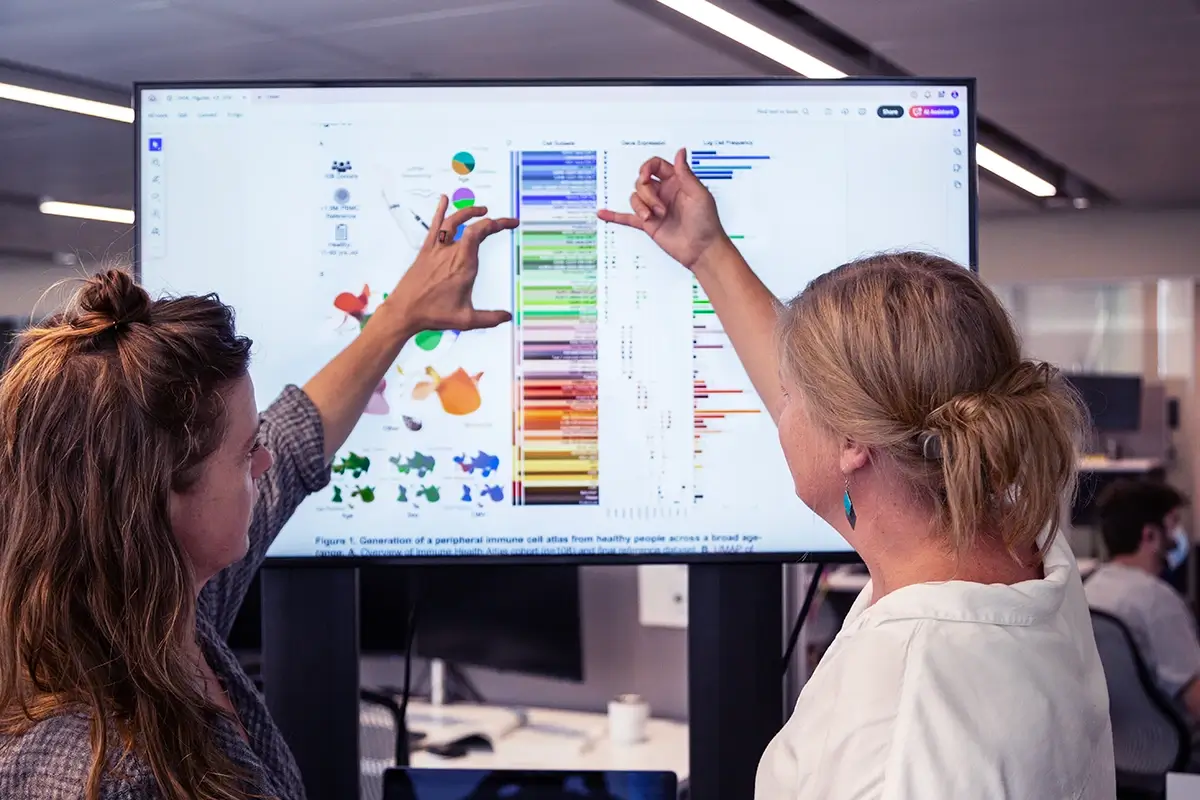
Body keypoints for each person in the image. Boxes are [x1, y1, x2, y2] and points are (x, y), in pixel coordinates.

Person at [599, 149, 1115, 798]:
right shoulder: (1019, 538)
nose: (780, 411)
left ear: (853, 440)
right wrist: (708, 252)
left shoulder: (903, 728)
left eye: (790, 396)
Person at [0, 197, 516, 799]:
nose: (263, 459)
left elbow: (294, 443)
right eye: (246, 452)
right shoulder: (96, 770)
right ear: (161, 493)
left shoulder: (162, 618)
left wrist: (401, 317)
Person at [1084, 479, 1200, 719]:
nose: (1178, 537)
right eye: (1173, 524)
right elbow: (1196, 700)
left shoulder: (1089, 590)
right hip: (1171, 748)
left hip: (1120, 748)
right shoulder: (1157, 599)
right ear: (1150, 536)